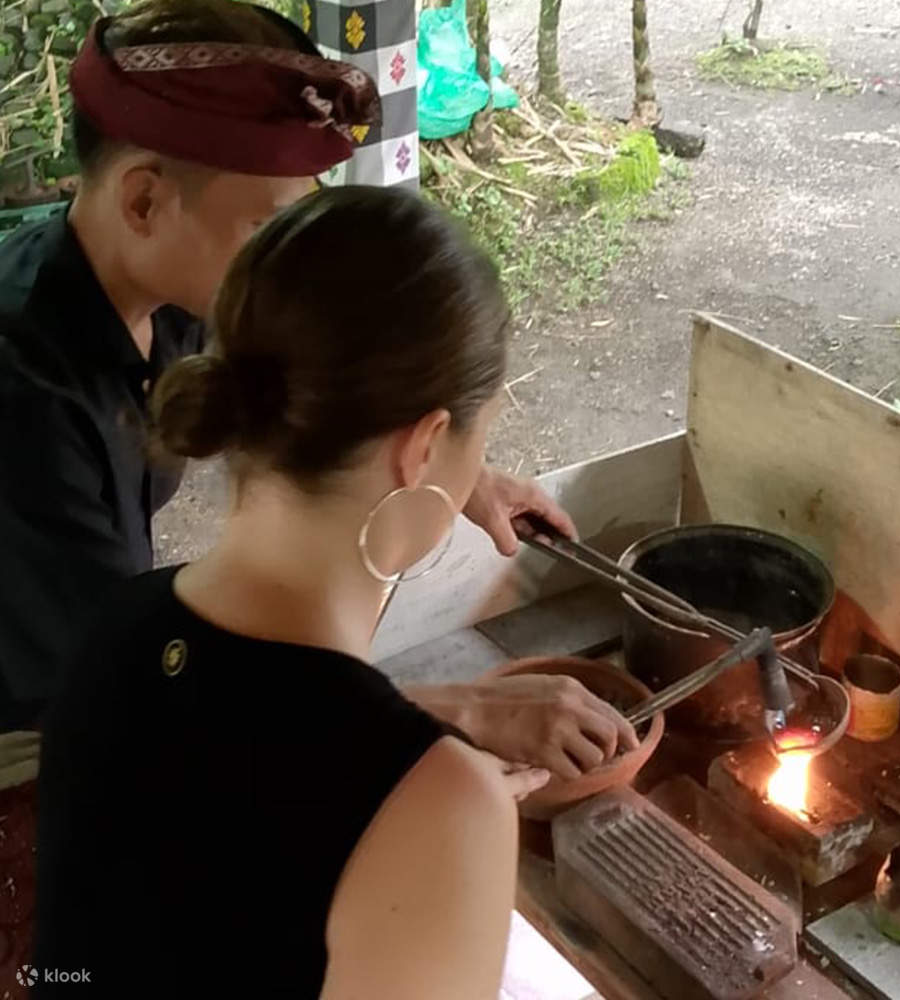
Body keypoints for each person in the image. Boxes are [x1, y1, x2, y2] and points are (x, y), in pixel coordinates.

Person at [0, 0, 630, 767]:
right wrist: (453, 709)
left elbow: (308, 384)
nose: (291, 265)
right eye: (268, 228)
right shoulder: (25, 399)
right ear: (144, 200)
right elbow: (131, 701)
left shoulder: (168, 289)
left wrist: (448, 471)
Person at [37, 184, 570, 996]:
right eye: (483, 433)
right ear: (425, 446)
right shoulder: (434, 806)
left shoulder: (113, 630)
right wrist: (442, 809)